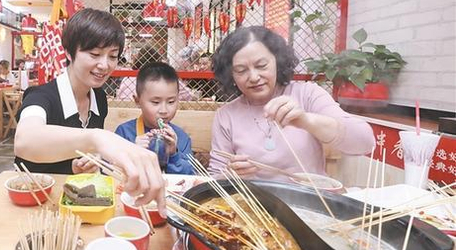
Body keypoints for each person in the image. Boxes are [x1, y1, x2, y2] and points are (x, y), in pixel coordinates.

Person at [14, 8, 165, 213]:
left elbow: (76, 160)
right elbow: (24, 141)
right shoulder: (39, 97)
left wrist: (83, 165)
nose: (104, 65)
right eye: (94, 54)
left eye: (113, 56)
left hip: (74, 205)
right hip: (33, 205)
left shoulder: (98, 98)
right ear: (69, 52)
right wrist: (97, 138)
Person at [209, 26, 374, 180]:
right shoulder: (226, 115)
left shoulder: (307, 94)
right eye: (241, 70)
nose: (253, 77)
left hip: (310, 198)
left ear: (277, 61)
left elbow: (365, 143)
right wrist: (230, 174)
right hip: (253, 201)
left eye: (261, 65)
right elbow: (215, 177)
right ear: (230, 75)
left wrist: (306, 120)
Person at [114, 62, 194, 175]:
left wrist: (173, 154)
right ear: (137, 101)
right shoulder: (124, 133)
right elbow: (110, 172)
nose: (164, 110)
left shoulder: (181, 137)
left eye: (171, 102)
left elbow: (189, 176)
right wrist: (132, 153)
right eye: (156, 102)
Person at [116, 45, 196, 101]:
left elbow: (119, 97)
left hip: (125, 115)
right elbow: (190, 96)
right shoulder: (166, 78)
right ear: (158, 61)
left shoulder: (128, 78)